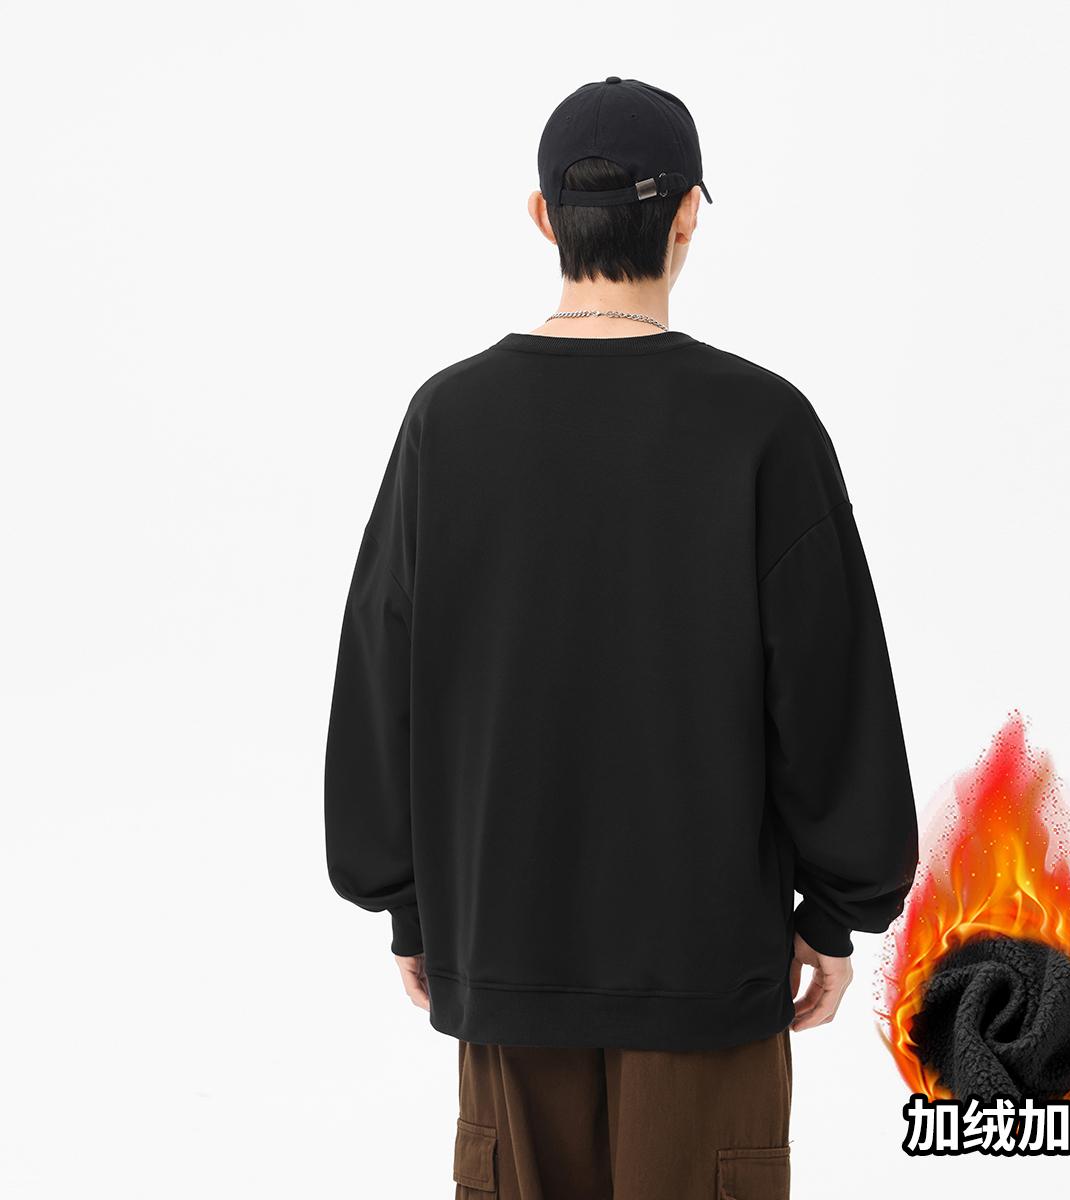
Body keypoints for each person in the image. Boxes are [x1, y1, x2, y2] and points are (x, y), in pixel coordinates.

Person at [325, 77, 918, 1200]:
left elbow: (379, 678)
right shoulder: (762, 425)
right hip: (709, 974)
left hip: (504, 956)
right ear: (688, 215)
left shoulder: (447, 421)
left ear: (543, 217)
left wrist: (407, 901)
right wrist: (840, 914)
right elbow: (830, 691)